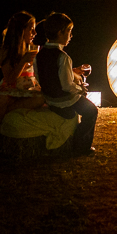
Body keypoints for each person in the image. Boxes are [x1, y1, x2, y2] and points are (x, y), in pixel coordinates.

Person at [0, 11, 46, 156]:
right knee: (3, 98)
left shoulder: (33, 48)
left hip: (28, 88)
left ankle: (6, 111)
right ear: (20, 31)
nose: (34, 33)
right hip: (12, 88)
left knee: (42, 98)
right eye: (31, 29)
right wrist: (23, 61)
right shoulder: (6, 52)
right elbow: (10, 79)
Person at [34, 13, 98, 155]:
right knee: (92, 111)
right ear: (60, 32)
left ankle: (62, 111)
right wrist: (80, 89)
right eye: (69, 31)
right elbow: (67, 86)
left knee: (81, 106)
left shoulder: (39, 55)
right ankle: (81, 147)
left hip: (49, 98)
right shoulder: (63, 57)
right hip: (64, 100)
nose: (71, 35)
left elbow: (39, 78)